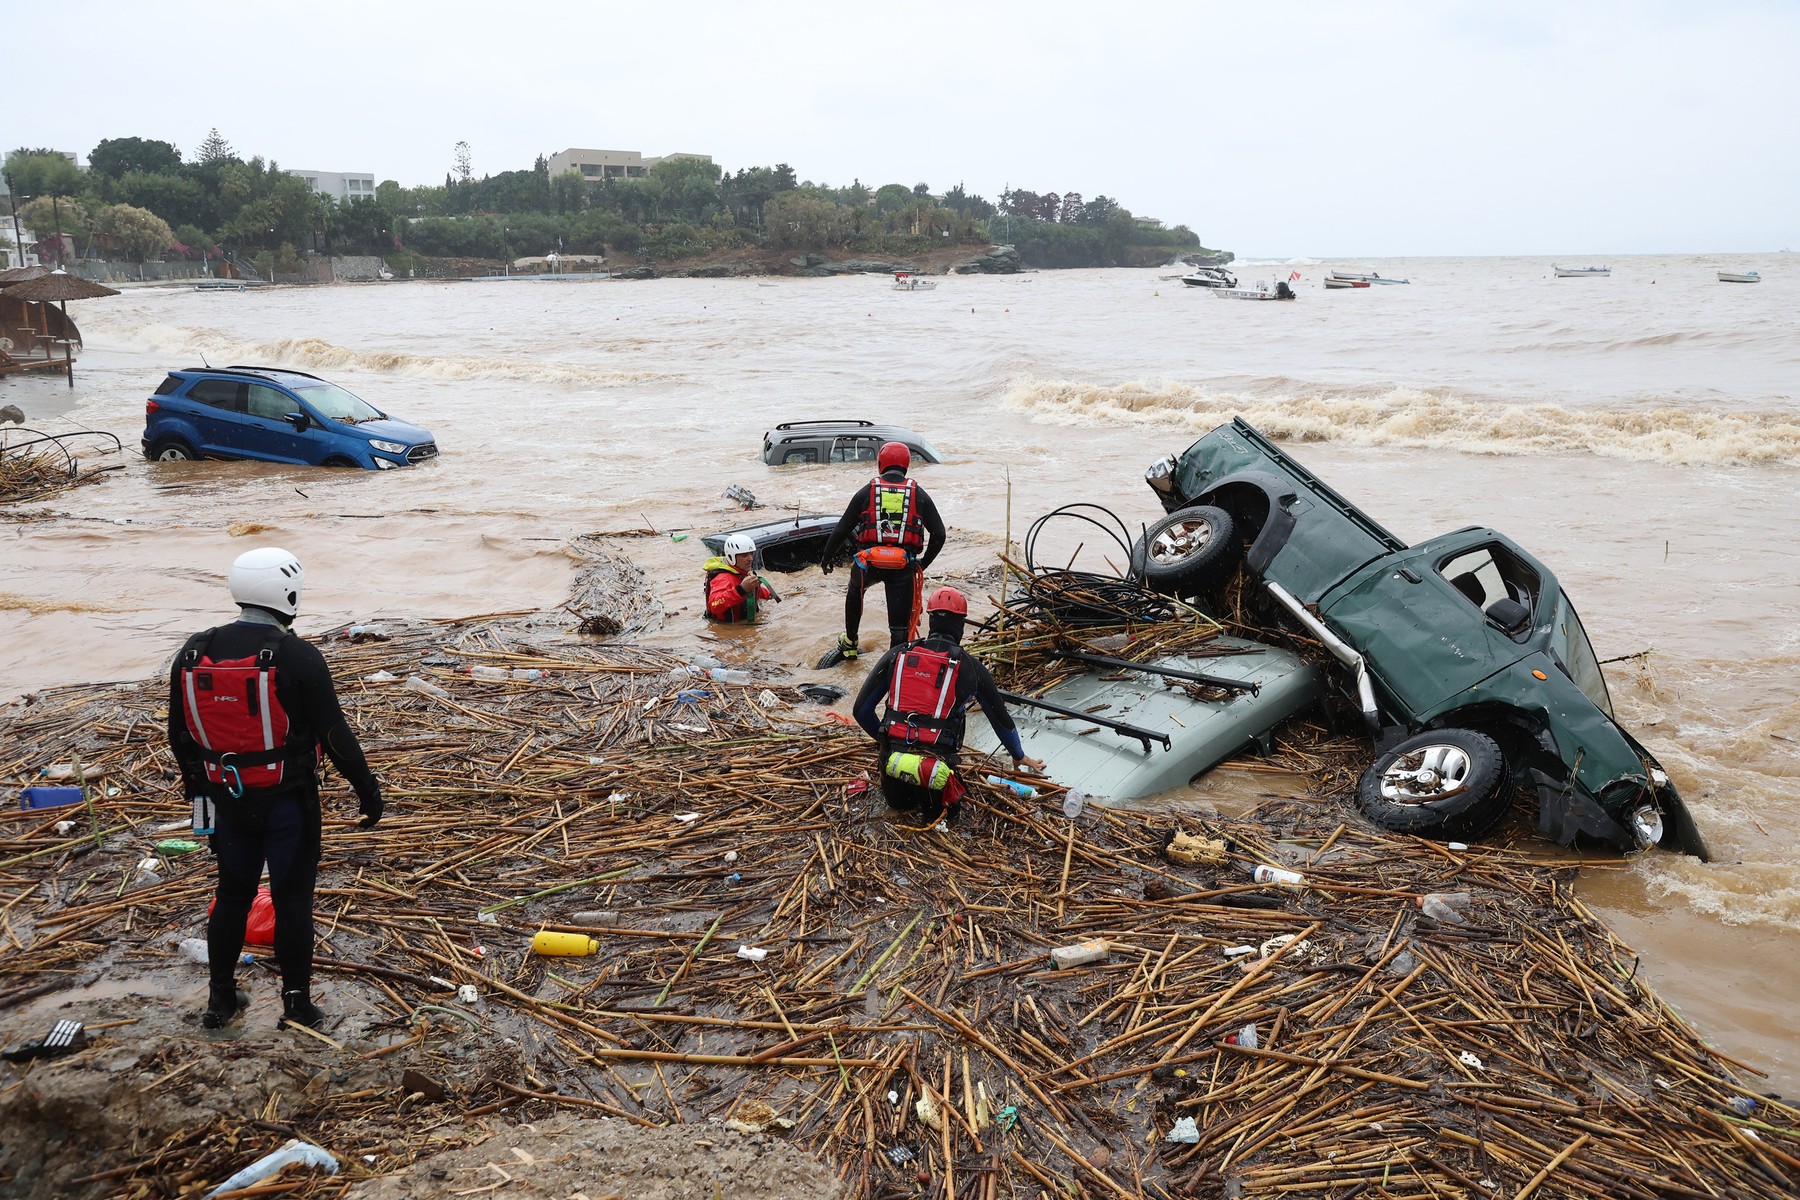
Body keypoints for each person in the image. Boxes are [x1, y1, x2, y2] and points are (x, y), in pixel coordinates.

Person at [169, 547, 382, 1031]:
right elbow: (336, 736)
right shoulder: (298, 656)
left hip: (224, 800)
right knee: (291, 903)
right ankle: (297, 1005)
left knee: (232, 895)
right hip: (288, 804)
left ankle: (220, 1000)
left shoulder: (192, 650)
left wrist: (199, 796)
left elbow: (178, 735)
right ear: (288, 593)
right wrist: (367, 792)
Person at [853, 586, 1044, 825]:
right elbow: (1000, 719)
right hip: (936, 781)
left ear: (930, 620)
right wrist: (1019, 755)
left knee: (900, 802)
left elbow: (860, 711)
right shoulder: (970, 667)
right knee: (946, 817)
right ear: (961, 625)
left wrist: (886, 739)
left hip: (894, 779)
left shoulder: (898, 654)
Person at [819, 441, 946, 662]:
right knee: (898, 630)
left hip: (868, 565)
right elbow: (940, 535)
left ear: (880, 464)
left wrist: (827, 558)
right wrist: (922, 564)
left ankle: (850, 642)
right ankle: (893, 665)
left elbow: (841, 529)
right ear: (906, 464)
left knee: (855, 589)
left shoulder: (867, 491)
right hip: (902, 568)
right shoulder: (919, 494)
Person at [704, 533, 778, 624]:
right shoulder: (723, 578)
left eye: (751, 554)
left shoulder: (740, 572)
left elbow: (756, 591)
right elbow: (714, 605)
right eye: (744, 555)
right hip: (729, 632)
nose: (750, 558)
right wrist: (741, 590)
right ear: (732, 556)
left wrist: (770, 596)